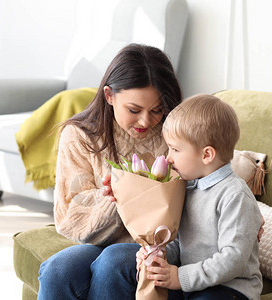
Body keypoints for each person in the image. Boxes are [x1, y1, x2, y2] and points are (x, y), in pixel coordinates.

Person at [37, 43, 183, 300]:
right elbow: (70, 218)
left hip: (157, 243)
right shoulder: (80, 136)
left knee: (112, 263)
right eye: (134, 110)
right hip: (97, 242)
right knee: (57, 271)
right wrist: (117, 197)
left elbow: (212, 161)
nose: (146, 122)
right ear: (109, 95)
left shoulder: (175, 132)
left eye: (157, 110)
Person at [136, 94, 263, 299]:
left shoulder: (235, 195)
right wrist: (158, 256)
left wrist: (180, 277)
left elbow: (233, 259)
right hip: (191, 282)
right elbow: (180, 243)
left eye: (175, 149)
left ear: (206, 155)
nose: (168, 158)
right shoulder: (187, 187)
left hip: (230, 289)